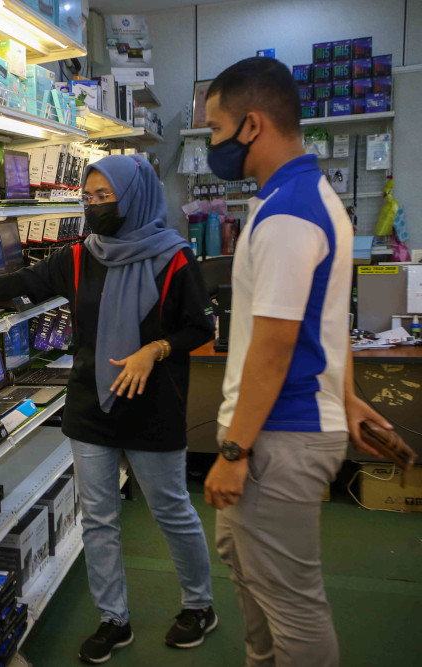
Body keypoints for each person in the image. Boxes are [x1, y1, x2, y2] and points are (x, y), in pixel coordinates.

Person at [0, 154, 218, 664]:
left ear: (132, 196)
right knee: (98, 518)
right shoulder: (78, 257)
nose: (93, 207)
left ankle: (198, 605)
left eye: (103, 197)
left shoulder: (174, 258)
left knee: (171, 510)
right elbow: (18, 283)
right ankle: (113, 619)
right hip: (91, 404)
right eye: (86, 198)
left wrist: (153, 350)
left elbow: (200, 329)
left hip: (153, 406)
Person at [202, 57, 392, 667]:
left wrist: (234, 452)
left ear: (251, 125)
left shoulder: (287, 215)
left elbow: (276, 347)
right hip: (287, 426)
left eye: (214, 129)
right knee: (249, 573)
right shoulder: (309, 197)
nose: (212, 144)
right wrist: (345, 393)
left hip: (276, 438)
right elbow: (325, 322)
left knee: (292, 604)